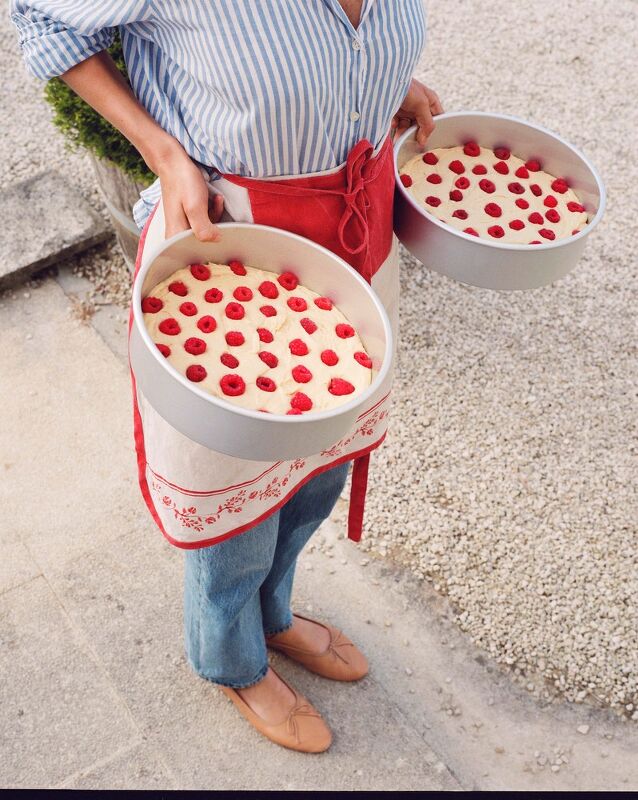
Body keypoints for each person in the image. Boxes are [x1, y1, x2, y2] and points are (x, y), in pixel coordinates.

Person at [11, 0, 443, 753]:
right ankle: (231, 659)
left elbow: (344, 46)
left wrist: (378, 87)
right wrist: (161, 151)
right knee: (233, 482)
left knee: (318, 460)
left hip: (356, 235)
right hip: (226, 247)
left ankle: (273, 615)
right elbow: (41, 17)